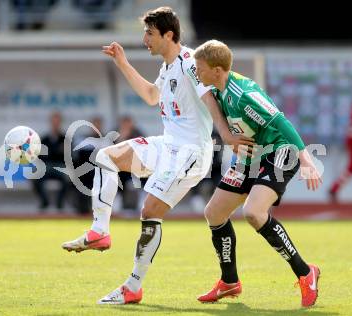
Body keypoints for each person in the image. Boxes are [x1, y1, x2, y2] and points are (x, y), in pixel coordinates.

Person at [61, 7, 249, 304]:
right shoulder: (167, 67)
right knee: (107, 157)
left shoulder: (189, 62)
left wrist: (225, 135)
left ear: (168, 34)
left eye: (149, 33)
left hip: (190, 153)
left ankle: (133, 286)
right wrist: (122, 63)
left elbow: (208, 97)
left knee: (149, 211)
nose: (144, 39)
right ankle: (99, 231)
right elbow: (152, 96)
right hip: (167, 145)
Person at [193, 40, 322, 307]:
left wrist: (307, 159)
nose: (196, 71)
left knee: (253, 213)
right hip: (251, 156)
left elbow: (281, 122)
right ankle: (229, 282)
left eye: (200, 67)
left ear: (217, 70)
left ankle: (305, 272)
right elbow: (211, 103)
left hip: (279, 151)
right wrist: (228, 136)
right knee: (214, 213)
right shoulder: (217, 85)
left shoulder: (244, 95)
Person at [33, 111, 69, 210]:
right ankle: (45, 202)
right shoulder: (44, 139)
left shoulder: (65, 139)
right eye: (54, 122)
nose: (55, 124)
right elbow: (41, 156)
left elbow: (68, 157)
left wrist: (52, 152)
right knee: (35, 177)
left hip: (60, 167)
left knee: (69, 179)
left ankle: (59, 203)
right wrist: (57, 151)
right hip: (47, 167)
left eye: (57, 122)